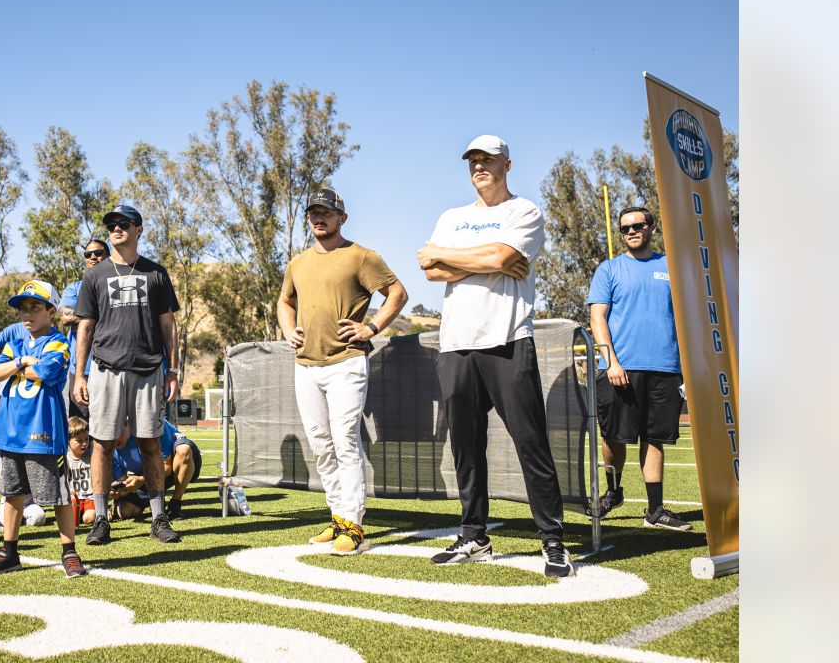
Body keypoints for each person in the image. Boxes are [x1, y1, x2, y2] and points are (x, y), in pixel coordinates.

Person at [417, 134, 572, 577]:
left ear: (507, 164)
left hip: (506, 339)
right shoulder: (452, 216)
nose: (479, 167)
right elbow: (430, 270)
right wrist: (483, 259)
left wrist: (453, 255)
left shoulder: (523, 211)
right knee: (466, 445)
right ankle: (473, 536)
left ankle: (553, 540)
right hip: (456, 344)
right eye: (473, 161)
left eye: (488, 160)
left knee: (530, 441)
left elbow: (503, 254)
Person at [276, 189, 406, 555]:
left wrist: (372, 328)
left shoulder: (361, 256)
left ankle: (354, 525)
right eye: (314, 213)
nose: (320, 218)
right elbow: (285, 302)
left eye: (327, 213)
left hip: (347, 362)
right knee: (320, 443)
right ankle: (337, 520)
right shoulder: (298, 263)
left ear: (341, 218)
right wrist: (288, 329)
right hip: (306, 365)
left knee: (345, 441)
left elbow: (397, 293)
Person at [72, 204, 183, 546]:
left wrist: (173, 369)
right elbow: (85, 327)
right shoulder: (95, 275)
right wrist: (80, 374)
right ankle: (101, 519)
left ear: (139, 229)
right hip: (105, 370)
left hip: (149, 369)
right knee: (102, 444)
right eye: (111, 225)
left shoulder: (156, 273)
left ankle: (159, 518)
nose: (116, 229)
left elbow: (168, 325)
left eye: (124, 224)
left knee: (151, 444)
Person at [587, 207, 692, 531]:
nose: (631, 231)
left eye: (637, 225)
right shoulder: (609, 270)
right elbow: (598, 318)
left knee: (654, 438)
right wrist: (611, 362)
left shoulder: (671, 268)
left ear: (651, 228)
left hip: (665, 368)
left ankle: (655, 510)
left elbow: (687, 318)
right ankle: (613, 491)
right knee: (613, 438)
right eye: (625, 228)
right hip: (621, 369)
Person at [0, 280, 87, 578]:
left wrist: (14, 367)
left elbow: (45, 372)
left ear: (51, 310)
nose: (27, 314)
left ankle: (69, 552)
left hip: (43, 432)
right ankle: (8, 552)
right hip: (9, 431)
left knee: (59, 496)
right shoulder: (15, 343)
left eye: (35, 307)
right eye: (24, 309)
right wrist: (21, 361)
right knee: (10, 493)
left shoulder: (60, 342)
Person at [110, 419, 205, 522]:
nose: (112, 441)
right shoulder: (109, 448)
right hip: (146, 474)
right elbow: (124, 485)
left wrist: (142, 479)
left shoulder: (151, 424)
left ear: (126, 423)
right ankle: (155, 499)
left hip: (175, 466)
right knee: (124, 512)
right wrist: (119, 492)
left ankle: (175, 503)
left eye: (114, 434)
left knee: (183, 450)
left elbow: (167, 467)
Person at [60, 239, 110, 420]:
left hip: (111, 368)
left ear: (108, 255)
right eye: (88, 255)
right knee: (79, 427)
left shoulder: (117, 286)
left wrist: (82, 316)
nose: (93, 257)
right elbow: (65, 317)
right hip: (80, 370)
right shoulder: (74, 288)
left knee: (109, 427)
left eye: (98, 253)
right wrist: (102, 313)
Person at [67, 417, 96, 525]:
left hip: (90, 499)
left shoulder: (92, 455)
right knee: (69, 520)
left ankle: (100, 513)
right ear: (68, 440)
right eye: (79, 440)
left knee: (88, 518)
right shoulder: (65, 460)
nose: (84, 444)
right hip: (73, 500)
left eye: (86, 439)